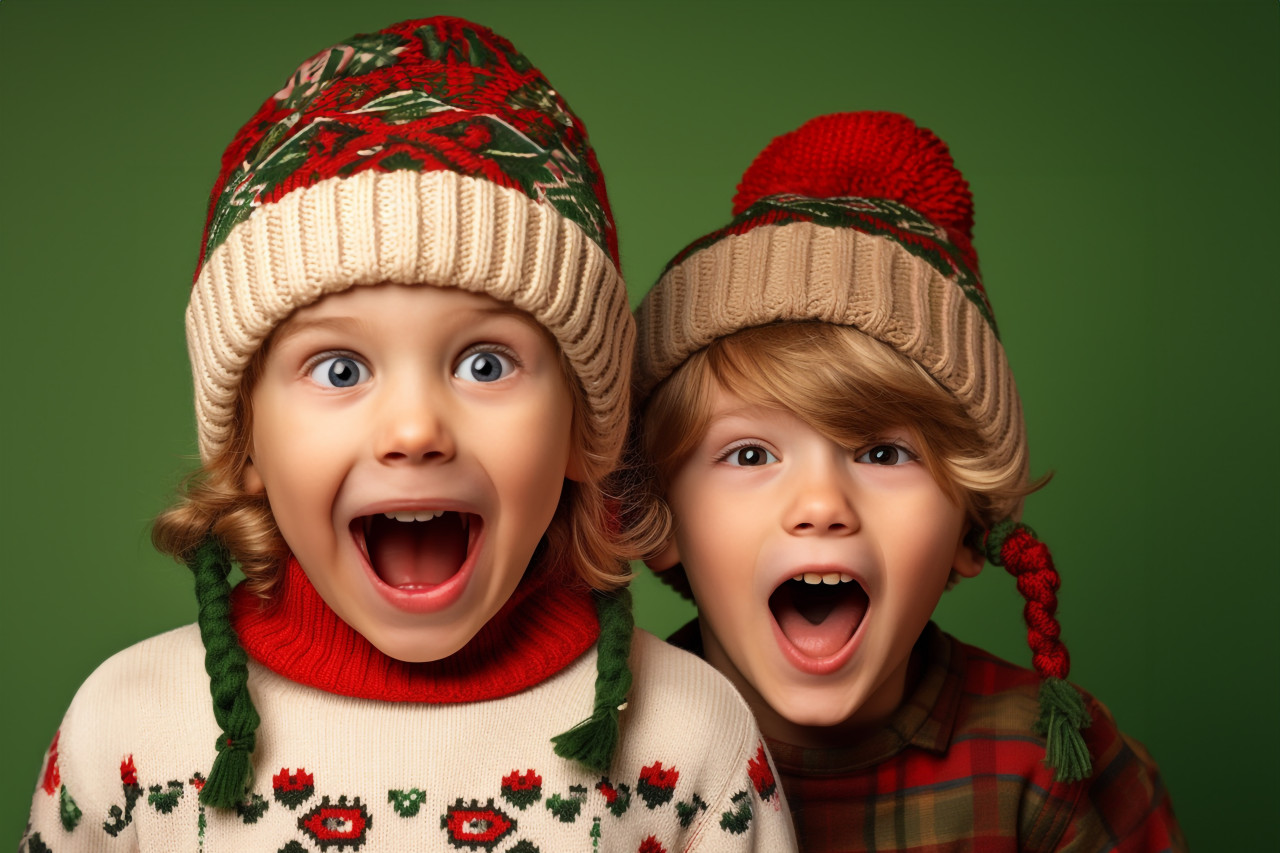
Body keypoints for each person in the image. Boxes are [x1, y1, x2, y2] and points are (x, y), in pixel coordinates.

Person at [21, 17, 796, 852]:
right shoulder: (127, 732)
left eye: (487, 364)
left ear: (584, 431)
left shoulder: (690, 738)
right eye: (341, 369)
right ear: (247, 442)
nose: (416, 429)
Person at [627, 111, 1185, 851]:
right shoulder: (604, 748)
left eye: (884, 454)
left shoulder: (1047, 769)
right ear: (658, 517)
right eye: (752, 455)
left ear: (969, 525)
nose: (821, 506)